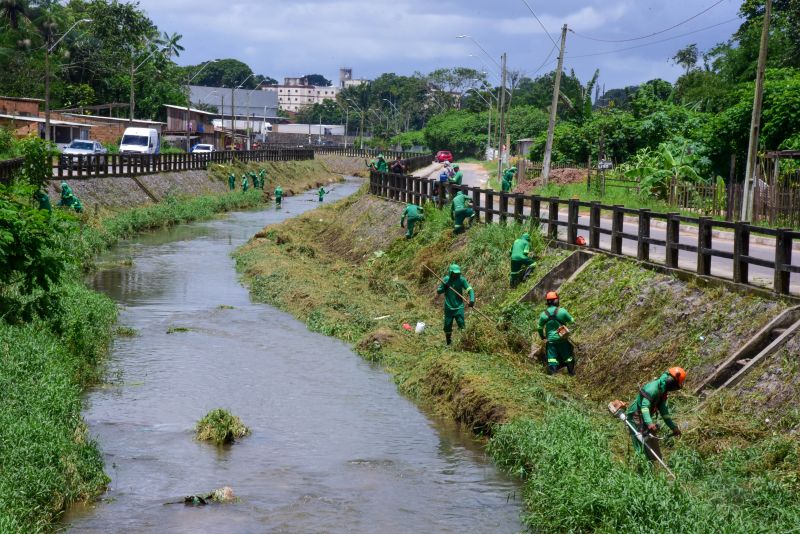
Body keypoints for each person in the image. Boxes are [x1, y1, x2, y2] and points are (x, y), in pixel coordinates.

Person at [625, 367, 686, 463]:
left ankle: (652, 465)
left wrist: (673, 427)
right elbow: (644, 407)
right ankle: (641, 466)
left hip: (644, 416)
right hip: (635, 415)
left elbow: (664, 411)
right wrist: (649, 423)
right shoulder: (653, 388)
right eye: (675, 384)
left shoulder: (662, 390)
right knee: (640, 441)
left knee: (651, 443)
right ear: (671, 380)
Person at [537, 291, 576, 375]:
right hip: (562, 339)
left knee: (552, 359)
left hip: (551, 341)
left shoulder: (544, 314)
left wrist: (542, 337)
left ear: (547, 302)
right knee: (568, 357)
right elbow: (572, 321)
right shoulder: (562, 311)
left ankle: (554, 375)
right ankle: (571, 373)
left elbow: (539, 327)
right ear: (555, 301)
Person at [436, 264, 475, 345]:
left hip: (459, 307)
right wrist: (444, 287)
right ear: (450, 272)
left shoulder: (461, 280)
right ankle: (448, 343)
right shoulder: (446, 280)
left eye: (457, 273)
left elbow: (470, 289)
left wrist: (472, 300)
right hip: (448, 307)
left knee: (462, 324)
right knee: (447, 325)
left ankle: (463, 343)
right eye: (454, 273)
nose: (456, 275)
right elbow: (439, 291)